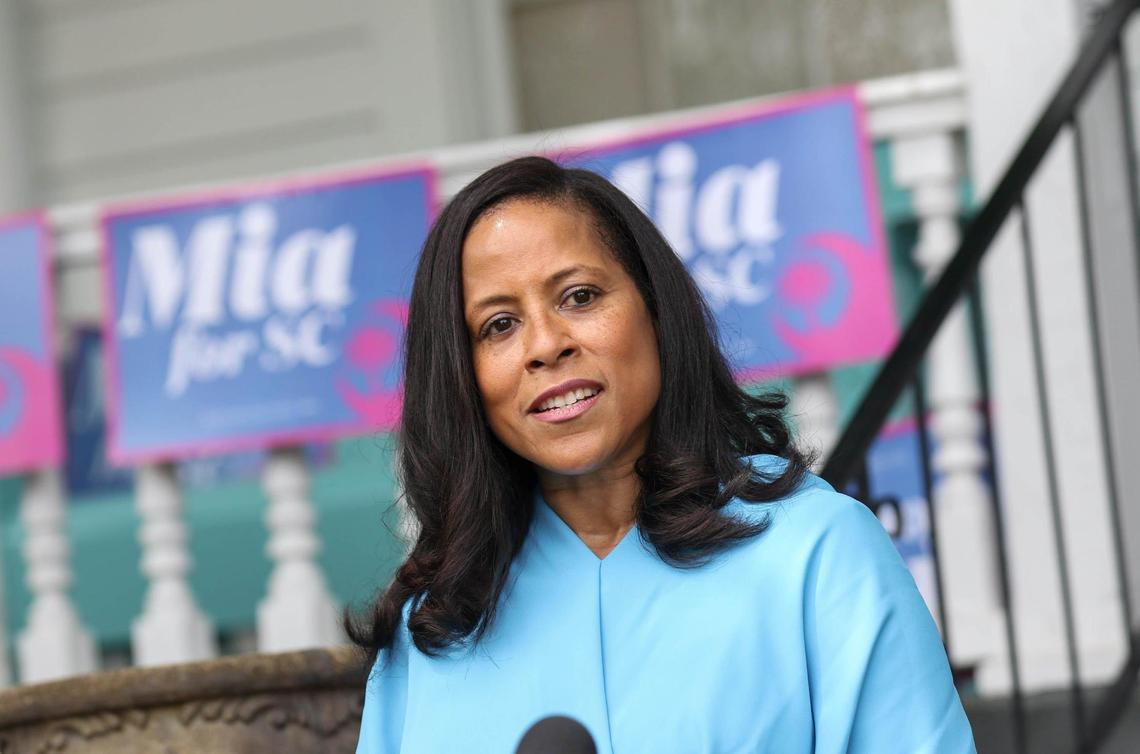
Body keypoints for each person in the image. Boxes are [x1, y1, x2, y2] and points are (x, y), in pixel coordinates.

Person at [349, 156, 976, 753]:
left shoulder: (815, 553)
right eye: (498, 326)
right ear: (462, 379)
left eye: (579, 296)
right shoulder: (432, 627)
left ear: (655, 309)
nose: (545, 345)